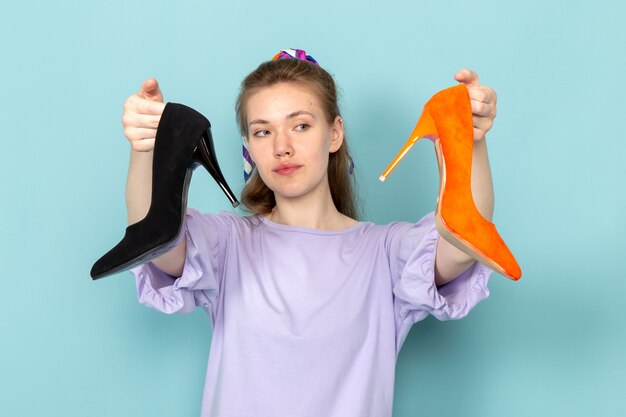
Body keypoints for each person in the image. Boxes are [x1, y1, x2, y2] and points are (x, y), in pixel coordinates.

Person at [123, 49, 498, 417]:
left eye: (301, 125)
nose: (282, 147)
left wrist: (470, 141)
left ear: (334, 133)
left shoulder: (386, 253)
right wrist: (145, 148)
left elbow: (465, 239)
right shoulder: (228, 244)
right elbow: (154, 240)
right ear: (250, 147)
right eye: (263, 131)